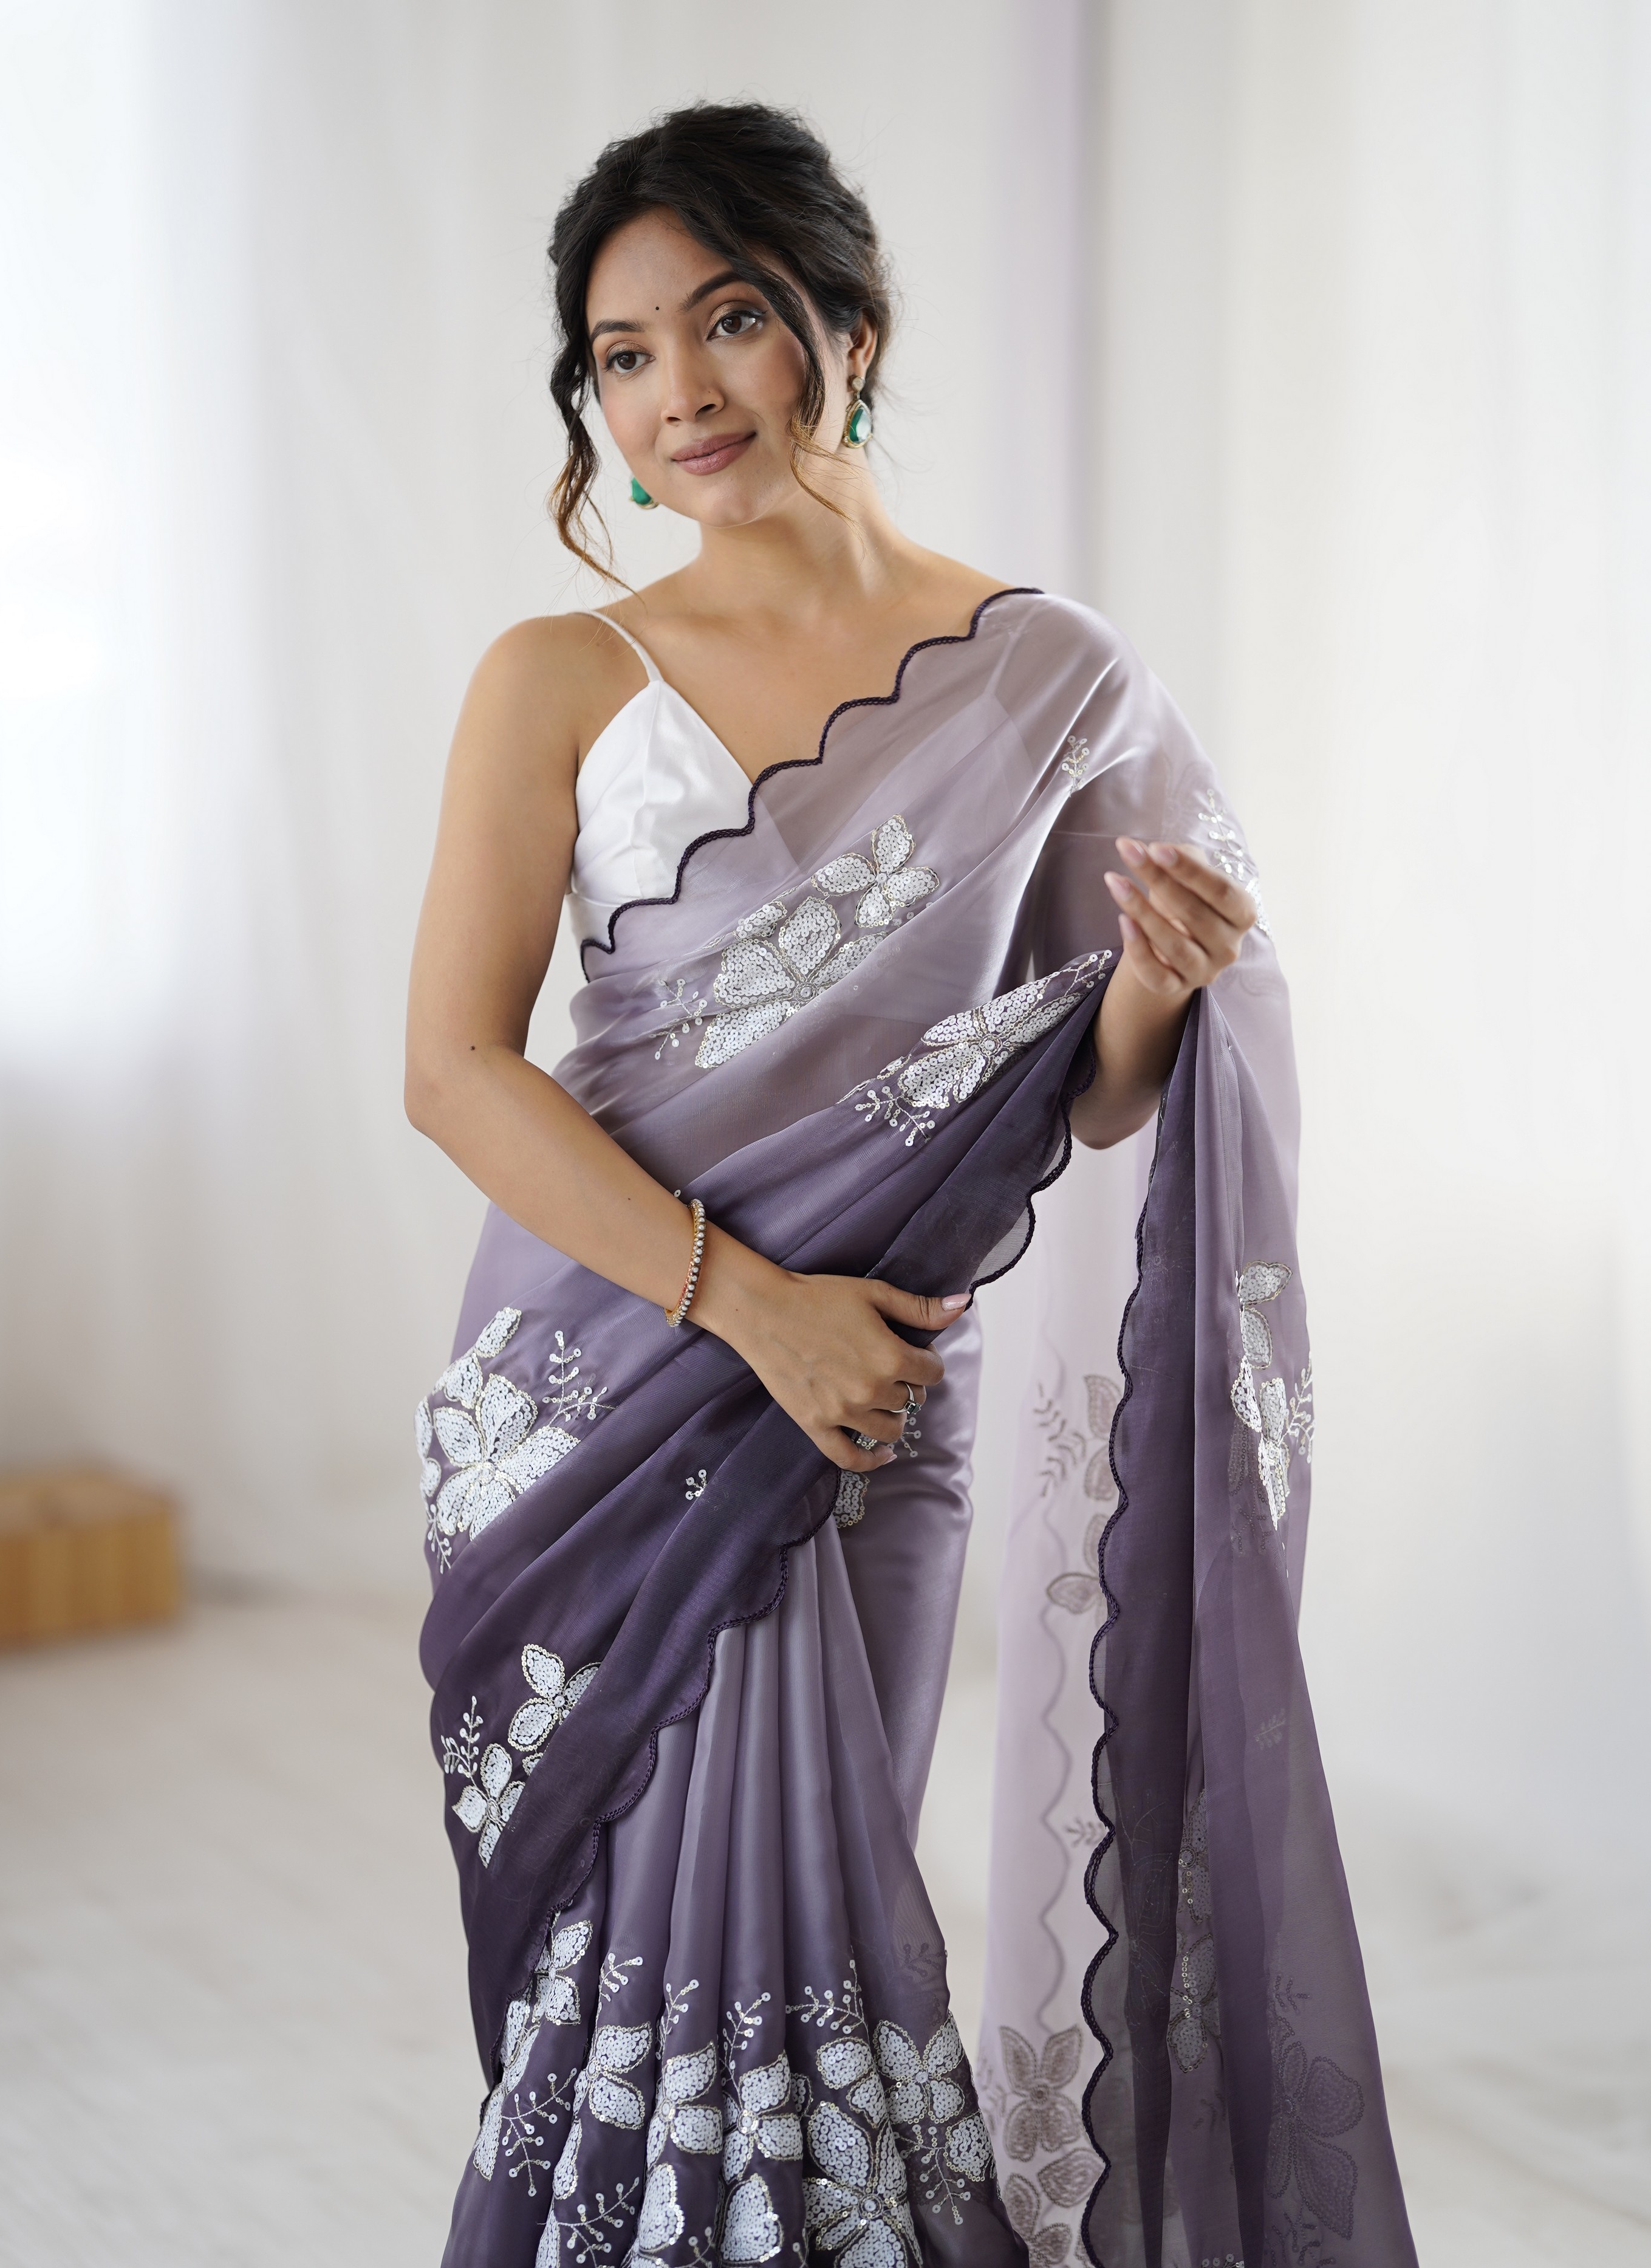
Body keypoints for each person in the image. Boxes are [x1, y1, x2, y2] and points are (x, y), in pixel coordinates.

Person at [405, 102, 1415, 2268]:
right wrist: (747, 1307)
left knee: (823, 1950)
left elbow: (1098, 1102)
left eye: (728, 322)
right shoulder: (561, 677)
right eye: (621, 356)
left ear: (847, 333)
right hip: (599, 1393)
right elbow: (452, 1070)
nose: (677, 393)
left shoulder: (1055, 680)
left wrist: (1157, 988)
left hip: (869, 1411)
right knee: (618, 1994)